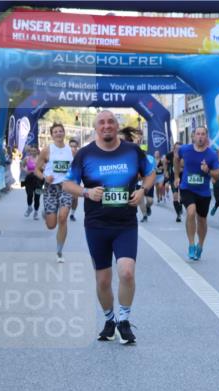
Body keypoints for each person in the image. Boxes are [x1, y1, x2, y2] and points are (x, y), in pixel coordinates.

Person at [61, 110, 155, 345]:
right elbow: (66, 183)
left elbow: (151, 173)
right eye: (101, 122)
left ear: (116, 126)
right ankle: (109, 320)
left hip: (125, 223)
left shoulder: (132, 151)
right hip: (96, 224)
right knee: (103, 280)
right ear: (96, 128)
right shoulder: (85, 154)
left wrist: (143, 190)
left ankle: (124, 320)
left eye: (111, 122)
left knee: (126, 271)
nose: (106, 126)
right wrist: (86, 192)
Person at [174, 126, 219, 260]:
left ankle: (200, 245)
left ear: (206, 137)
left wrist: (208, 171)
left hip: (203, 192)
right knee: (190, 212)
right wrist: (177, 176)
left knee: (202, 220)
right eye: (198, 134)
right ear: (194, 136)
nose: (200, 137)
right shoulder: (185, 149)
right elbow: (176, 158)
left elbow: (217, 175)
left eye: (203, 134)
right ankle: (191, 244)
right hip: (187, 188)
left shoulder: (211, 154)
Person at [34, 123, 74, 262]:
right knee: (51, 225)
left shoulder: (71, 151)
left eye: (60, 131)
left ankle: (59, 251)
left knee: (63, 217)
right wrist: (45, 177)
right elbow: (36, 170)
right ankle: (46, 214)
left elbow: (77, 169)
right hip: (51, 188)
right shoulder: (46, 150)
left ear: (64, 133)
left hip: (66, 187)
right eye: (55, 131)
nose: (58, 133)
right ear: (52, 135)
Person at [21, 147, 42, 220]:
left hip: (39, 180)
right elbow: (22, 166)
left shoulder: (40, 159)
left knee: (37, 197)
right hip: (29, 179)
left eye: (35, 151)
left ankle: (36, 213)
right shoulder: (27, 158)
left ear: (37, 151)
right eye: (32, 151)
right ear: (30, 151)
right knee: (29, 194)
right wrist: (26, 170)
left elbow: (45, 168)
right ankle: (29, 207)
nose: (33, 152)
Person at [166, 144, 183, 223]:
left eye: (179, 149)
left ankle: (181, 205)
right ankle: (178, 215)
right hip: (173, 178)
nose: (177, 150)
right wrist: (166, 171)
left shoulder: (184, 155)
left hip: (183, 178)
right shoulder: (170, 155)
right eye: (176, 148)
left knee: (183, 197)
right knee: (175, 196)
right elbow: (164, 160)